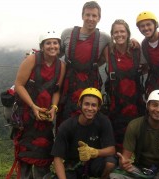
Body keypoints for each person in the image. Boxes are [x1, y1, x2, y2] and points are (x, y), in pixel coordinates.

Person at [57, 1, 141, 129]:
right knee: (65, 117)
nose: (91, 18)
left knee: (90, 117)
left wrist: (133, 41)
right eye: (88, 15)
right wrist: (35, 57)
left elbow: (120, 42)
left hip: (91, 81)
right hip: (69, 83)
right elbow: (56, 55)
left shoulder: (104, 38)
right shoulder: (67, 34)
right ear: (82, 15)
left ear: (99, 18)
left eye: (94, 16)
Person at [6, 30, 65, 179]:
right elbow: (19, 85)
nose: (52, 46)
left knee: (43, 153)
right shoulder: (32, 60)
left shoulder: (61, 66)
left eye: (55, 43)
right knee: (25, 153)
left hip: (45, 116)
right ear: (42, 46)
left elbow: (57, 90)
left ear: (59, 45)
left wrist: (54, 107)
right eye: (48, 43)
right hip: (26, 113)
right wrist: (33, 106)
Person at [110, 90, 159, 179]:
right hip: (140, 170)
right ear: (147, 106)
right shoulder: (135, 125)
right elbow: (126, 158)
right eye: (154, 105)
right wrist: (123, 164)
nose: (158, 110)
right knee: (115, 177)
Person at [51, 87, 116, 179]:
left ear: (98, 107)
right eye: (86, 104)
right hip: (74, 165)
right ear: (80, 104)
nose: (90, 108)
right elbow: (57, 158)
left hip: (94, 162)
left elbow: (111, 150)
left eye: (94, 105)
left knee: (110, 163)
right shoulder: (66, 126)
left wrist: (94, 152)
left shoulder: (104, 121)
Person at [104, 19, 145, 152]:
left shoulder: (136, 50)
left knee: (137, 138)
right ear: (112, 34)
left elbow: (147, 67)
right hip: (116, 104)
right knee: (117, 139)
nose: (119, 34)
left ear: (128, 33)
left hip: (135, 103)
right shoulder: (108, 51)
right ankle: (117, 167)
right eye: (116, 32)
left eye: (122, 31)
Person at [136, 11, 159, 100]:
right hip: (156, 80)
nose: (146, 28)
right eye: (142, 26)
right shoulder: (144, 46)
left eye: (148, 24)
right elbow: (145, 67)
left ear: (155, 25)